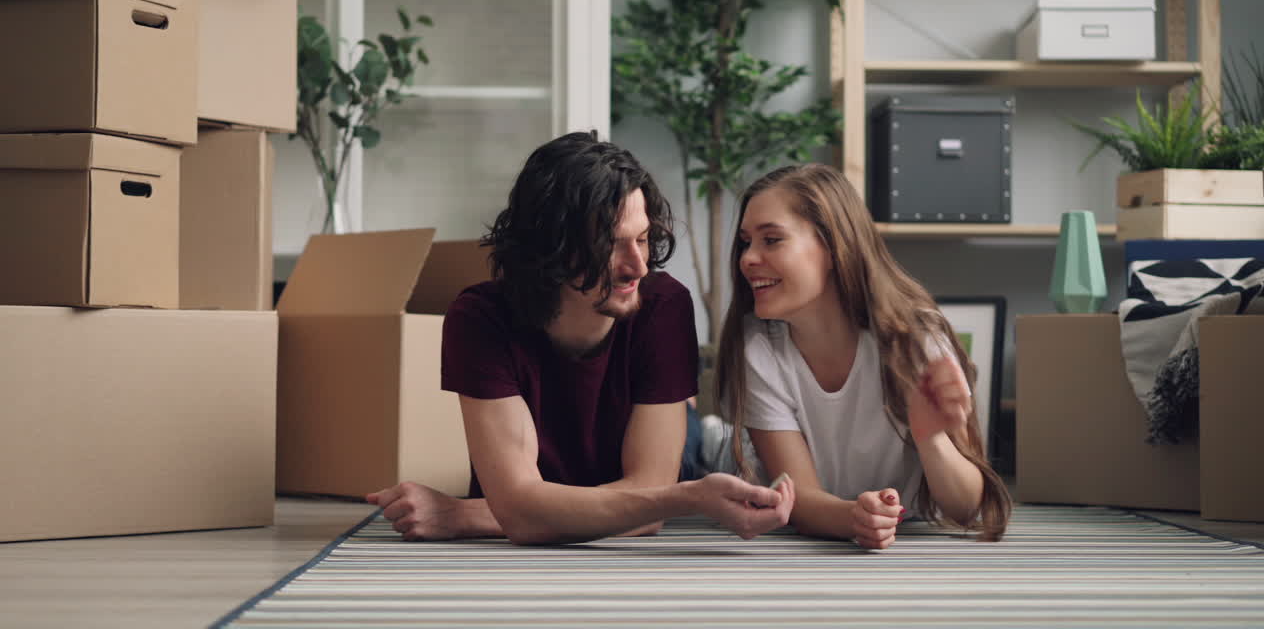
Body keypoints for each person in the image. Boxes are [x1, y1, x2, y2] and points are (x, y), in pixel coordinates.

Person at [366, 131, 794, 545]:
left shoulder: (664, 304)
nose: (638, 266)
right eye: (610, 245)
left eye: (643, 239)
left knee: (695, 445)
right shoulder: (480, 317)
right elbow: (523, 510)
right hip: (583, 465)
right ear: (550, 248)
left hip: (669, 440)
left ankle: (701, 425)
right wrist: (520, 510)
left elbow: (646, 507)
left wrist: (466, 514)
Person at [713, 163, 1011, 549]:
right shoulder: (759, 350)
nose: (747, 258)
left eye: (771, 240)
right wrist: (856, 517)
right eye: (745, 242)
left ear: (834, 246)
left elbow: (966, 508)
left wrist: (931, 437)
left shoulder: (915, 340)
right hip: (746, 471)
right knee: (710, 451)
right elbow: (798, 500)